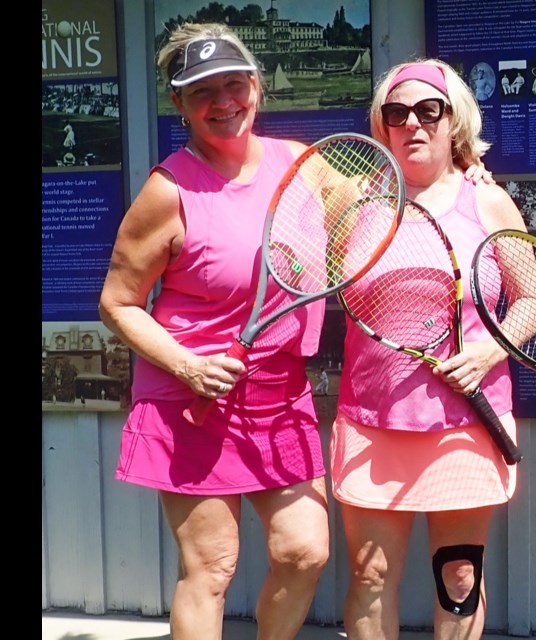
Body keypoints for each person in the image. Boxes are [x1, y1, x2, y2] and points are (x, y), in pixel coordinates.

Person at [99, 23, 331, 640]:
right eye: (202, 91)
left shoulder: (303, 168)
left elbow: (378, 208)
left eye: (234, 84)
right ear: (178, 103)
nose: (223, 102)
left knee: (304, 550)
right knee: (212, 567)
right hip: (192, 399)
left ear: (256, 87)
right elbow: (118, 302)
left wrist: (464, 173)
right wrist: (188, 366)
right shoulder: (166, 191)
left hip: (279, 395)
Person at [329, 59, 529, 639]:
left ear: (453, 120)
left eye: (428, 111)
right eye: (396, 114)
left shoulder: (488, 203)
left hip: (465, 426)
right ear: (381, 125)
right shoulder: (356, 204)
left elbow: (531, 301)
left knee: (459, 577)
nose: (412, 124)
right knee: (370, 575)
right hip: (373, 422)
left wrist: (490, 352)